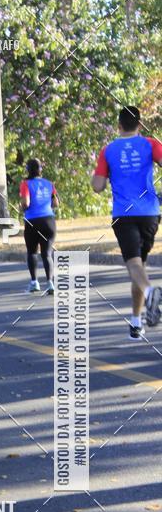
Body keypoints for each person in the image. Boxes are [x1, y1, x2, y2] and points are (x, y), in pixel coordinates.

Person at [92, 106, 162, 340]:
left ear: (119, 126)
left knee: (133, 264)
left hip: (124, 214)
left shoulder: (108, 150)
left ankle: (151, 292)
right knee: (139, 266)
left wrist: (105, 173)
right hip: (150, 212)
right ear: (139, 125)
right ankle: (135, 322)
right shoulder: (151, 144)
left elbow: (97, 186)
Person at [19, 159, 59, 294]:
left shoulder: (26, 184)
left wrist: (21, 207)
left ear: (28, 170)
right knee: (47, 254)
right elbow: (56, 203)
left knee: (32, 252)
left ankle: (34, 282)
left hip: (32, 221)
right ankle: (50, 283)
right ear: (40, 169)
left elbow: (26, 203)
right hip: (49, 221)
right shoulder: (49, 184)